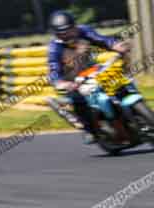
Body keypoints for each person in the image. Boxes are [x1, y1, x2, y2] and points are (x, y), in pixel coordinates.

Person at [47, 10, 130, 144]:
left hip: (92, 71)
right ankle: (89, 129)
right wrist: (60, 82)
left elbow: (101, 39)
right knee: (78, 98)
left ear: (74, 26)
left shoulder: (84, 31)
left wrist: (115, 45)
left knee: (116, 82)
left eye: (69, 31)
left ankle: (127, 114)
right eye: (62, 33)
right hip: (72, 81)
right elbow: (53, 68)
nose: (67, 35)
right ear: (56, 34)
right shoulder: (54, 48)